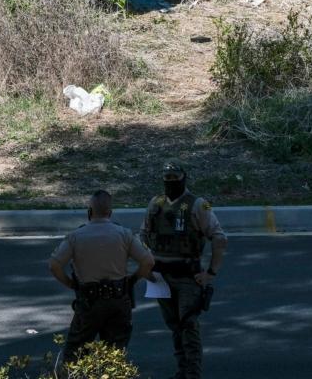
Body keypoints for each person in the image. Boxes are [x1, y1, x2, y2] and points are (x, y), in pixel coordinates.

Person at [141, 162, 228, 379]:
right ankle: (182, 371)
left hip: (188, 277)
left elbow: (219, 237)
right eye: (167, 177)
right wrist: (146, 264)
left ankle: (192, 374)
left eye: (174, 177)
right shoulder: (155, 203)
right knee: (175, 327)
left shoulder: (199, 205)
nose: (170, 181)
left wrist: (211, 273)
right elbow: (143, 235)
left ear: (184, 178)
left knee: (188, 326)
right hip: (160, 277)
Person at [49, 190, 155, 366]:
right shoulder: (124, 234)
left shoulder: (76, 236)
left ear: (89, 212)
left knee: (75, 355)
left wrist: (70, 284)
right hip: (118, 300)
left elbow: (54, 265)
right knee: (114, 357)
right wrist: (133, 279)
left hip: (89, 302)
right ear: (110, 213)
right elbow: (148, 262)